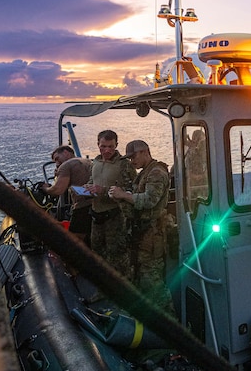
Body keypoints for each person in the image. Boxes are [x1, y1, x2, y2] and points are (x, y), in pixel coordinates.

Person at [108, 140, 172, 311]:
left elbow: (150, 200)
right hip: (141, 233)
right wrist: (122, 196)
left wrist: (123, 195)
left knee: (152, 280)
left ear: (145, 152)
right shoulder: (145, 172)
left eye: (134, 156)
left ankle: (171, 323)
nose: (132, 161)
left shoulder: (157, 172)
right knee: (139, 274)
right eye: (129, 158)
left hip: (151, 234)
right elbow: (138, 197)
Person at [83, 130, 133, 269]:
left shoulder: (124, 164)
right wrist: (88, 188)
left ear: (116, 145)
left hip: (115, 216)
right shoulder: (96, 162)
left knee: (117, 255)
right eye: (103, 146)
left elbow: (130, 190)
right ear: (98, 144)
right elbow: (93, 180)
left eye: (111, 146)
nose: (107, 150)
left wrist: (103, 190)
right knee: (97, 251)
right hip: (96, 215)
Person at [37, 145, 94, 239]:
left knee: (75, 237)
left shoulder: (66, 165)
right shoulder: (86, 161)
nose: (56, 163)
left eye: (57, 158)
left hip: (82, 206)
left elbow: (58, 190)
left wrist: (45, 189)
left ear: (66, 153)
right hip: (95, 203)